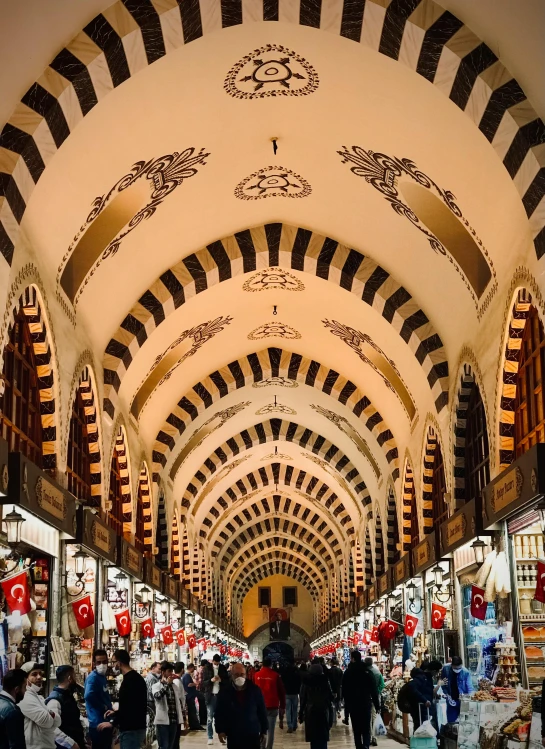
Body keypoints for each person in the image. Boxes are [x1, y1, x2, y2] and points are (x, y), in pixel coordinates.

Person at [215, 662, 268, 749]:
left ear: (246, 675)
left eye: (242, 674)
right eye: (236, 674)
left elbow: (262, 711)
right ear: (231, 675)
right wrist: (220, 730)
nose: (240, 677)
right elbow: (219, 712)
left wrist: (264, 730)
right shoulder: (225, 692)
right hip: (233, 734)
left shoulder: (255, 690)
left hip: (252, 733)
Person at [342, 650, 380, 749]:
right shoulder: (367, 672)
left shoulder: (348, 672)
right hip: (366, 703)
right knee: (366, 727)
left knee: (357, 728)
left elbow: (344, 690)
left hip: (353, 705)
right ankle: (366, 745)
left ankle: (358, 746)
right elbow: (374, 690)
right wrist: (377, 705)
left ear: (353, 658)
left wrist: (347, 706)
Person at [19, 662, 61, 749]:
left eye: (40, 674)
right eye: (34, 674)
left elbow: (58, 722)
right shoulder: (25, 697)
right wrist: (50, 714)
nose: (39, 677)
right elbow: (47, 721)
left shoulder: (38, 697)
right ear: (25, 679)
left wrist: (50, 715)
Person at [110, 650, 147, 749]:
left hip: (131, 729)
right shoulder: (136, 678)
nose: (113, 665)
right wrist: (116, 713)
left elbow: (129, 708)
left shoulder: (130, 681)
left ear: (119, 662)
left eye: (113, 662)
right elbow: (132, 704)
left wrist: (113, 723)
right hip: (137, 727)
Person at [45, 665, 86, 749]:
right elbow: (52, 728)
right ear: (70, 678)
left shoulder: (67, 696)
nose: (76, 680)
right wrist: (71, 744)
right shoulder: (54, 700)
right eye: (74, 676)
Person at [299, 661, 333, 749]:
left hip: (310, 711)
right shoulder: (325, 681)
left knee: (313, 737)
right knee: (323, 736)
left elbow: (303, 699)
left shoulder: (306, 682)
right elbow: (330, 698)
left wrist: (300, 713)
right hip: (323, 710)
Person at [254, 657, 286, 749]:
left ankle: (261, 747)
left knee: (260, 729)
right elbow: (281, 691)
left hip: (259, 706)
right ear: (271, 664)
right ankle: (269, 747)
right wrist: (282, 706)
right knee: (271, 730)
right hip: (273, 705)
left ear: (262, 664)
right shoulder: (275, 675)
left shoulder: (256, 675)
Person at [84, 650, 114, 749]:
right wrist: (102, 706)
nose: (102, 665)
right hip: (98, 723)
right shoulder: (93, 678)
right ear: (94, 664)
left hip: (104, 720)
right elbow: (88, 695)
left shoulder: (101, 677)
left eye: (104, 662)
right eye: (99, 662)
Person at [152, 662, 183, 749]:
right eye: (169, 671)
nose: (171, 674)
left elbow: (178, 702)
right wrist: (166, 685)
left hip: (174, 721)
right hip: (162, 722)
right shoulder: (156, 686)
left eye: (171, 671)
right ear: (163, 672)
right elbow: (157, 696)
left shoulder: (175, 686)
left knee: (171, 746)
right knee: (164, 746)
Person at [202, 654, 228, 746]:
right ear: (212, 661)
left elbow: (227, 681)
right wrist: (211, 680)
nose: (216, 665)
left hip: (221, 696)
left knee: (222, 717)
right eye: (215, 663)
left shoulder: (223, 668)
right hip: (210, 696)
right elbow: (203, 683)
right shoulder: (207, 668)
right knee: (210, 718)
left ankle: (223, 736)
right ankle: (210, 737)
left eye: (218, 663)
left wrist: (221, 680)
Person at [0, 669, 27, 749]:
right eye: (25, 687)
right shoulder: (13, 711)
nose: (25, 691)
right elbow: (16, 745)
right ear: (17, 689)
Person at [440, 656, 472, 723]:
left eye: (459, 668)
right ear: (451, 665)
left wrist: (469, 698)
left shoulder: (466, 672)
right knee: (452, 722)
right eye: (455, 668)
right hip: (451, 699)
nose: (457, 670)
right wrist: (446, 693)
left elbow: (470, 687)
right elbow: (442, 682)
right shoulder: (446, 669)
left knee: (465, 723)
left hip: (464, 700)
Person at [364, 657, 384, 745]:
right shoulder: (377, 672)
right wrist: (377, 691)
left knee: (367, 718)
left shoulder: (363, 673)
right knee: (374, 717)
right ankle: (374, 737)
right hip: (376, 698)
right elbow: (382, 684)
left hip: (366, 698)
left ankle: (369, 737)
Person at [182, 664, 205, 731]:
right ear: (191, 668)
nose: (194, 670)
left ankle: (193, 725)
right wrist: (195, 684)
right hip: (190, 696)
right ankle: (194, 725)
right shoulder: (187, 676)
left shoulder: (186, 675)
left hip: (190, 696)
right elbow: (188, 684)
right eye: (193, 669)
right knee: (192, 711)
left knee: (192, 711)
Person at [281, 659, 301, 734]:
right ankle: (295, 724)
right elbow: (299, 682)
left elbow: (282, 683)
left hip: (287, 693)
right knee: (295, 710)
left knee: (288, 710)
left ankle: (290, 726)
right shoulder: (296, 673)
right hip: (295, 693)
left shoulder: (284, 673)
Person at [172, 662, 187, 742]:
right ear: (182, 669)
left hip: (179, 708)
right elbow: (177, 696)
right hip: (178, 709)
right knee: (176, 735)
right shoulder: (177, 681)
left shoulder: (177, 679)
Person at [328, 659, 343, 726]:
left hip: (331, 689)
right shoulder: (340, 670)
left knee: (332, 703)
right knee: (338, 701)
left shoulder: (329, 671)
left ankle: (334, 718)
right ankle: (338, 711)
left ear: (331, 663)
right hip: (338, 688)